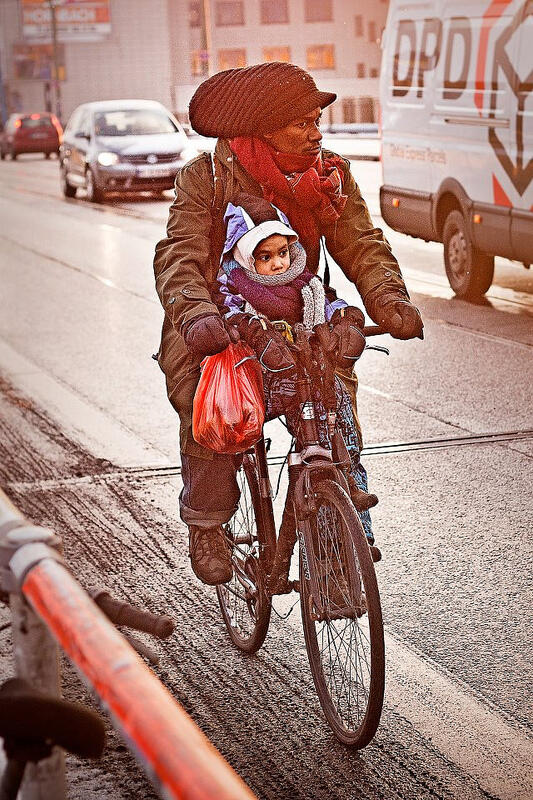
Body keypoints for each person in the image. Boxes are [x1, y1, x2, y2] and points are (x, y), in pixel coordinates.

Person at [153, 62, 423, 586]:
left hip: (302, 315)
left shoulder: (331, 173)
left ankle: (338, 541)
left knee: (335, 413)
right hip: (222, 320)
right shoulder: (205, 178)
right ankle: (208, 524)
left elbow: (361, 245)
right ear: (264, 130)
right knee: (214, 414)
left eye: (318, 118)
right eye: (302, 121)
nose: (316, 130)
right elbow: (179, 258)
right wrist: (197, 317)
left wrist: (389, 300)